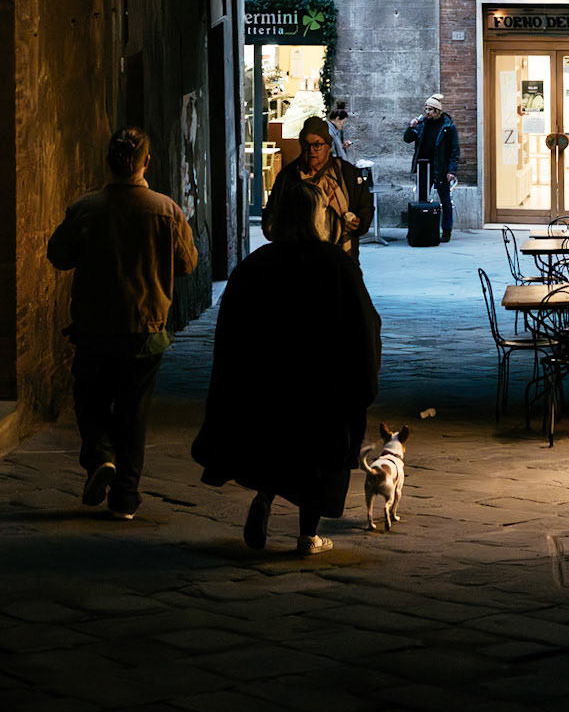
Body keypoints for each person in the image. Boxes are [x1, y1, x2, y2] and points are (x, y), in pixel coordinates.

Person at [192, 177, 381, 555]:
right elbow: (364, 325)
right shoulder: (336, 265)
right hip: (321, 385)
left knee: (274, 444)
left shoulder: (255, 265)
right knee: (316, 457)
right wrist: (363, 380)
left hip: (267, 381)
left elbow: (230, 331)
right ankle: (308, 535)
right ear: (316, 216)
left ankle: (264, 496)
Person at [46, 125, 197, 520]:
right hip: (145, 330)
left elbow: (58, 255)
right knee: (133, 412)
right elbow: (187, 263)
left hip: (94, 327)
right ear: (146, 162)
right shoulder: (166, 210)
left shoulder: (86, 208)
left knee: (89, 400)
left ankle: (100, 456)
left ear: (109, 162)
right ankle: (125, 497)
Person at [263, 112, 373, 258]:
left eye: (317, 145)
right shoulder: (288, 176)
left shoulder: (347, 173)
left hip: (340, 258)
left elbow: (365, 206)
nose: (311, 151)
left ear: (328, 146)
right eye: (306, 145)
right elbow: (271, 218)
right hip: (297, 259)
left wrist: (359, 223)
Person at [404, 91, 460, 242]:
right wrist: (411, 127)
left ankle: (446, 230)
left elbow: (454, 151)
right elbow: (407, 139)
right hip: (423, 167)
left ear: (437, 111)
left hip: (440, 168)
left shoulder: (448, 127)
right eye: (426, 109)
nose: (427, 112)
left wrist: (452, 170)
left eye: (430, 109)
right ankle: (421, 228)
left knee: (445, 200)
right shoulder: (421, 124)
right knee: (422, 200)